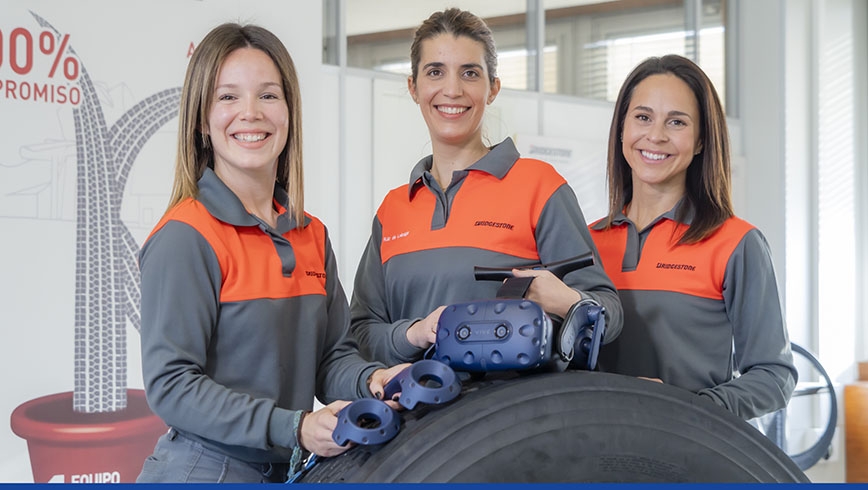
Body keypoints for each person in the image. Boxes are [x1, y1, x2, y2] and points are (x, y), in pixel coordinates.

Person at [136, 23, 407, 483]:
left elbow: (330, 358)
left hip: (286, 469)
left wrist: (372, 381)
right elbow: (172, 385)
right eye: (227, 97)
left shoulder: (311, 235)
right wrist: (295, 427)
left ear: (288, 111)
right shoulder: (187, 235)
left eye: (267, 95)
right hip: (204, 469)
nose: (250, 113)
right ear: (202, 120)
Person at [350, 8, 622, 366]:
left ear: (492, 87)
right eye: (435, 72)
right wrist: (415, 332)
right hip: (416, 415)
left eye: (470, 73)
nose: (452, 89)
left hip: (514, 417)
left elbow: (610, 313)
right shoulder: (393, 210)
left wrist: (570, 302)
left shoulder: (539, 186)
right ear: (413, 88)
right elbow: (361, 334)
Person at [589, 54, 797, 420]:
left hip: (689, 457)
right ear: (622, 128)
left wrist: (690, 408)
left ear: (701, 141)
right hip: (592, 457)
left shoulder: (736, 243)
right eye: (642, 117)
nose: (656, 135)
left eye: (677, 122)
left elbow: (774, 377)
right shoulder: (585, 242)